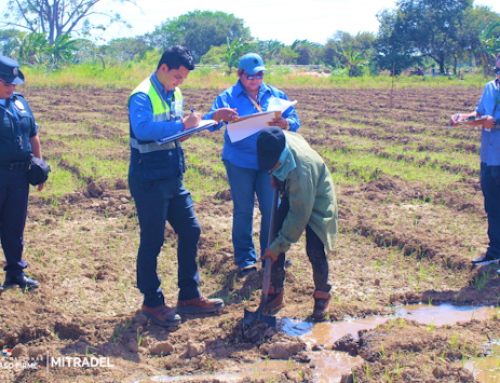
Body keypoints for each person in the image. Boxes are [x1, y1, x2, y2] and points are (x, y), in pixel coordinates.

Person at [128, 46, 224, 327]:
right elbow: (143, 130)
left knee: (191, 229)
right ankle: (152, 302)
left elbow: (179, 132)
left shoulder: (175, 93)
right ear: (163, 68)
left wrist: (209, 121)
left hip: (172, 175)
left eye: (184, 78)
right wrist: (182, 124)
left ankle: (189, 296)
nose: (180, 81)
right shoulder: (142, 95)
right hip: (148, 179)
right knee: (153, 240)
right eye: (178, 76)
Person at [204, 53, 300, 276]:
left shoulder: (275, 95)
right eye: (250, 76)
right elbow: (211, 124)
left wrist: (286, 123)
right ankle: (246, 260)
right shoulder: (228, 96)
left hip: (270, 162)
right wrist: (218, 115)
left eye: (260, 75)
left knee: (271, 210)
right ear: (240, 74)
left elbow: (294, 121)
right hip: (239, 160)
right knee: (244, 210)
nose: (256, 79)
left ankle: (272, 256)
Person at [256, 127, 338, 320]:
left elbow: (298, 216)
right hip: (296, 188)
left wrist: (279, 246)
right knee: (275, 233)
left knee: (314, 249)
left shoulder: (300, 173)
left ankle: (322, 295)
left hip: (317, 197)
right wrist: (275, 175)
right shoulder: (277, 140)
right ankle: (275, 291)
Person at [449, 53, 500, 269]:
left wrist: (495, 123)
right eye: (498, 70)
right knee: (493, 207)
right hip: (489, 157)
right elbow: (479, 112)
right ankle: (495, 252)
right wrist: (463, 117)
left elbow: (491, 120)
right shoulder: (490, 87)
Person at [0, 56, 43, 293]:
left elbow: (32, 134)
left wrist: (38, 163)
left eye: (14, 83)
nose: (11, 87)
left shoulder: (19, 103)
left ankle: (15, 273)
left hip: (19, 177)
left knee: (14, 227)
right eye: (6, 82)